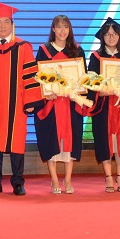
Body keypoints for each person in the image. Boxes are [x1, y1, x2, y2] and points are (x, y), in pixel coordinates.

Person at [0, 3, 44, 196]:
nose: (3, 26)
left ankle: (18, 182)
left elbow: (30, 75)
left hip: (17, 104)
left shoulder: (23, 47)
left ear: (12, 24)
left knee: (17, 142)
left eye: (6, 22)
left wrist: (30, 101)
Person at [34, 15, 87, 195]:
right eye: (59, 27)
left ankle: (68, 179)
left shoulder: (77, 51)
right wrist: (47, 92)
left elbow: (84, 78)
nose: (62, 31)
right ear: (53, 29)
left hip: (71, 104)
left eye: (66, 27)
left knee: (70, 142)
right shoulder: (44, 51)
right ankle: (55, 179)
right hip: (51, 104)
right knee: (51, 141)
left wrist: (77, 91)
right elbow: (38, 78)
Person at [86, 17, 120, 193]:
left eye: (114, 34)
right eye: (108, 34)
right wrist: (99, 91)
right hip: (103, 106)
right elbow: (90, 82)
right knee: (105, 141)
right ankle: (108, 176)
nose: (111, 37)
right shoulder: (95, 57)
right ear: (102, 37)